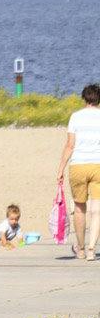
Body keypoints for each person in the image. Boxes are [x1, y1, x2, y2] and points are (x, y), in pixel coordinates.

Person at [58, 84, 100, 262]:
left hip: (78, 166)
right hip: (98, 164)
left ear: (84, 98)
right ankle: (92, 249)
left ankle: (81, 249)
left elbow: (70, 145)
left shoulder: (75, 117)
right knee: (98, 210)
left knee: (80, 208)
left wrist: (60, 168)